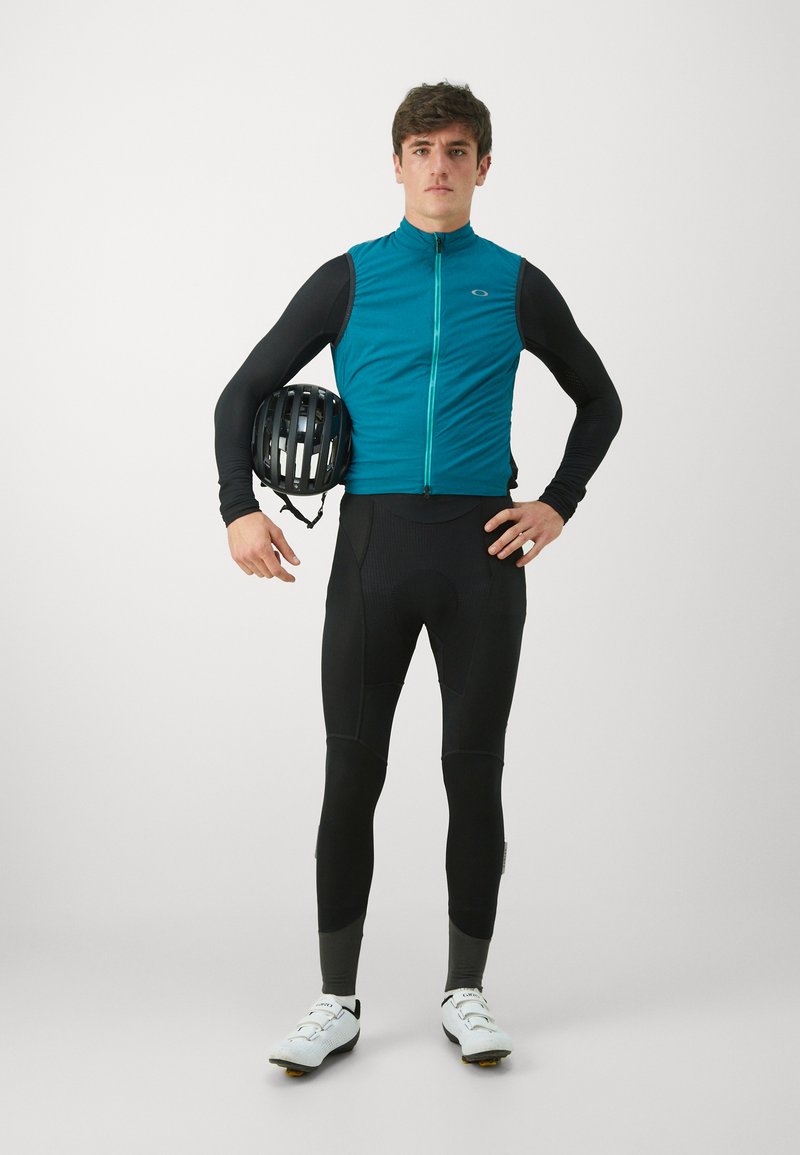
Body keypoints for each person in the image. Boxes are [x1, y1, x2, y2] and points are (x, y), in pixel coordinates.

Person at [214, 81, 622, 1075]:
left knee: (472, 773)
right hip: (374, 552)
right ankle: (334, 1002)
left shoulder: (515, 283)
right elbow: (241, 392)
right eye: (422, 150)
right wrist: (237, 508)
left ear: (483, 167)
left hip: (482, 557)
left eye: (456, 151)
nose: (438, 166)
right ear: (395, 165)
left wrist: (557, 503)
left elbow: (600, 399)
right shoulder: (349, 278)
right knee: (351, 771)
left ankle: (465, 993)